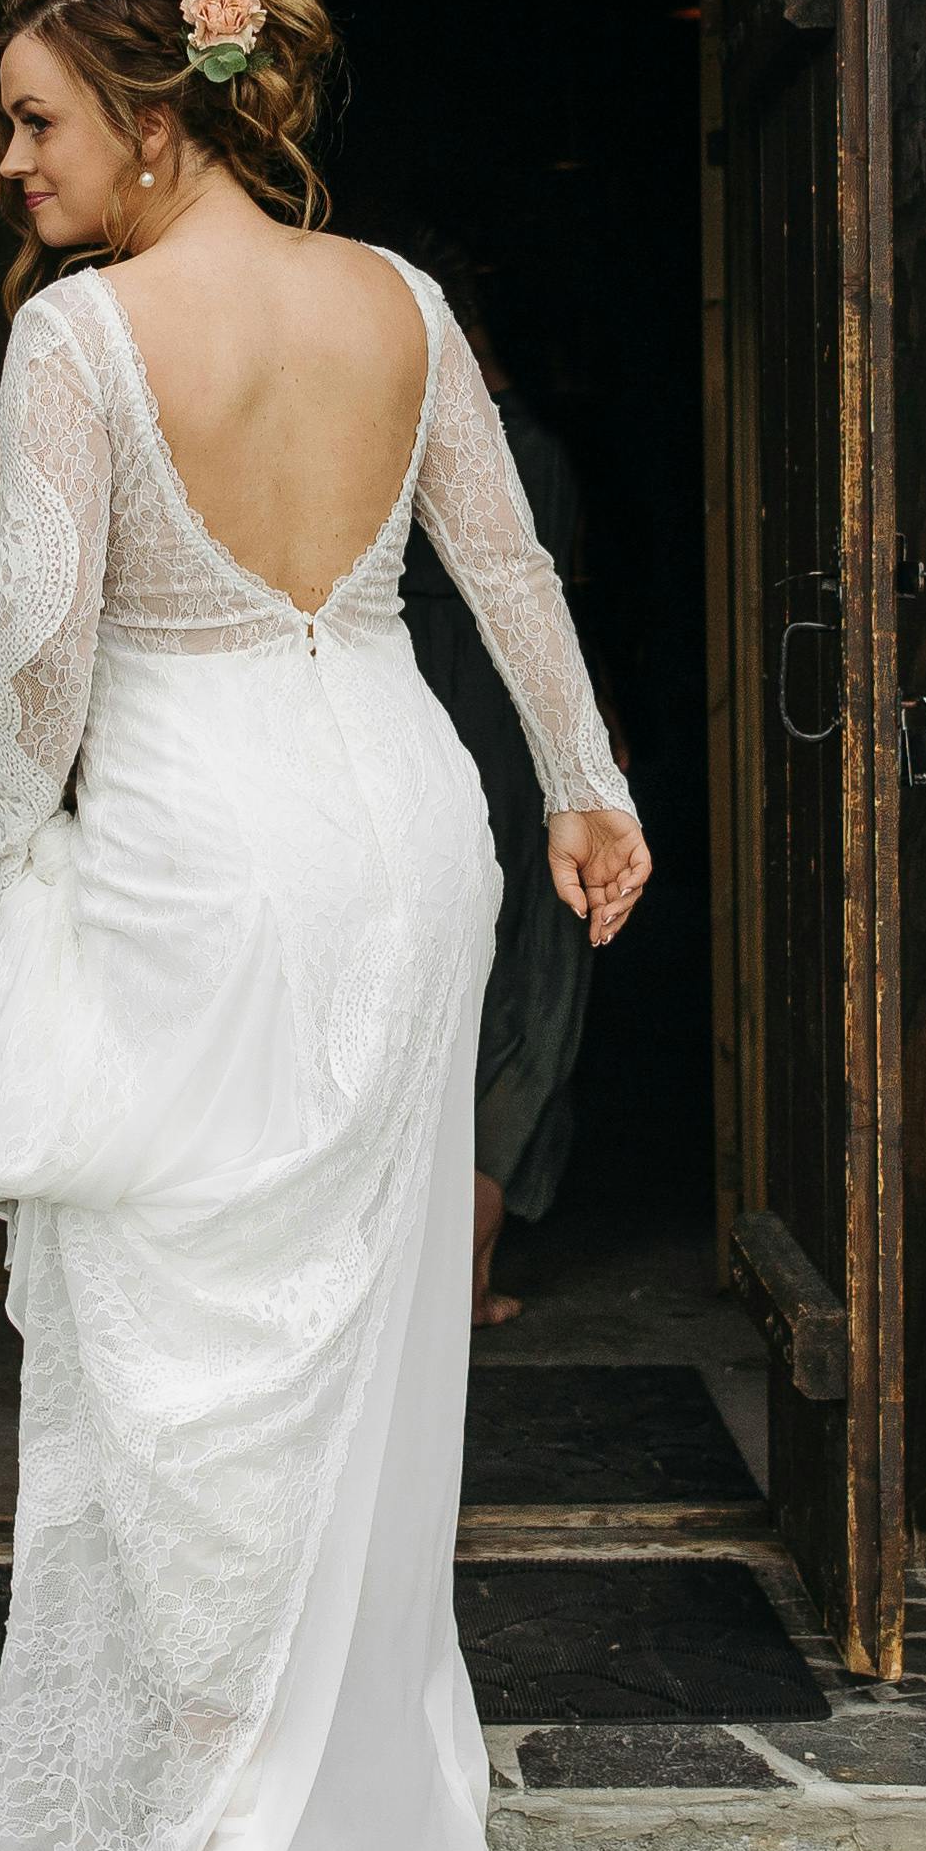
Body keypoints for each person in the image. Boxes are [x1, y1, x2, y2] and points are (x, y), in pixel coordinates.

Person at [0, 0, 651, 1851]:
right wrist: (587, 784)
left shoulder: (78, 339)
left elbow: (37, 638)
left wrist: (19, 861)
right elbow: (503, 569)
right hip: (407, 841)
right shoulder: (398, 303)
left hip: (197, 862)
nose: (12, 161)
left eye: (38, 118)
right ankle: (321, 1839)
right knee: (352, 1336)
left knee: (175, 1359)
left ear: (158, 119)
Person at [391, 234, 618, 1326]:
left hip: (417, 710)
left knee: (460, 970)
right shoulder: (523, 450)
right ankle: (466, 1262)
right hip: (498, 720)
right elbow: (547, 608)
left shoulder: (391, 441)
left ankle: (447, 1261)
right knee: (529, 970)